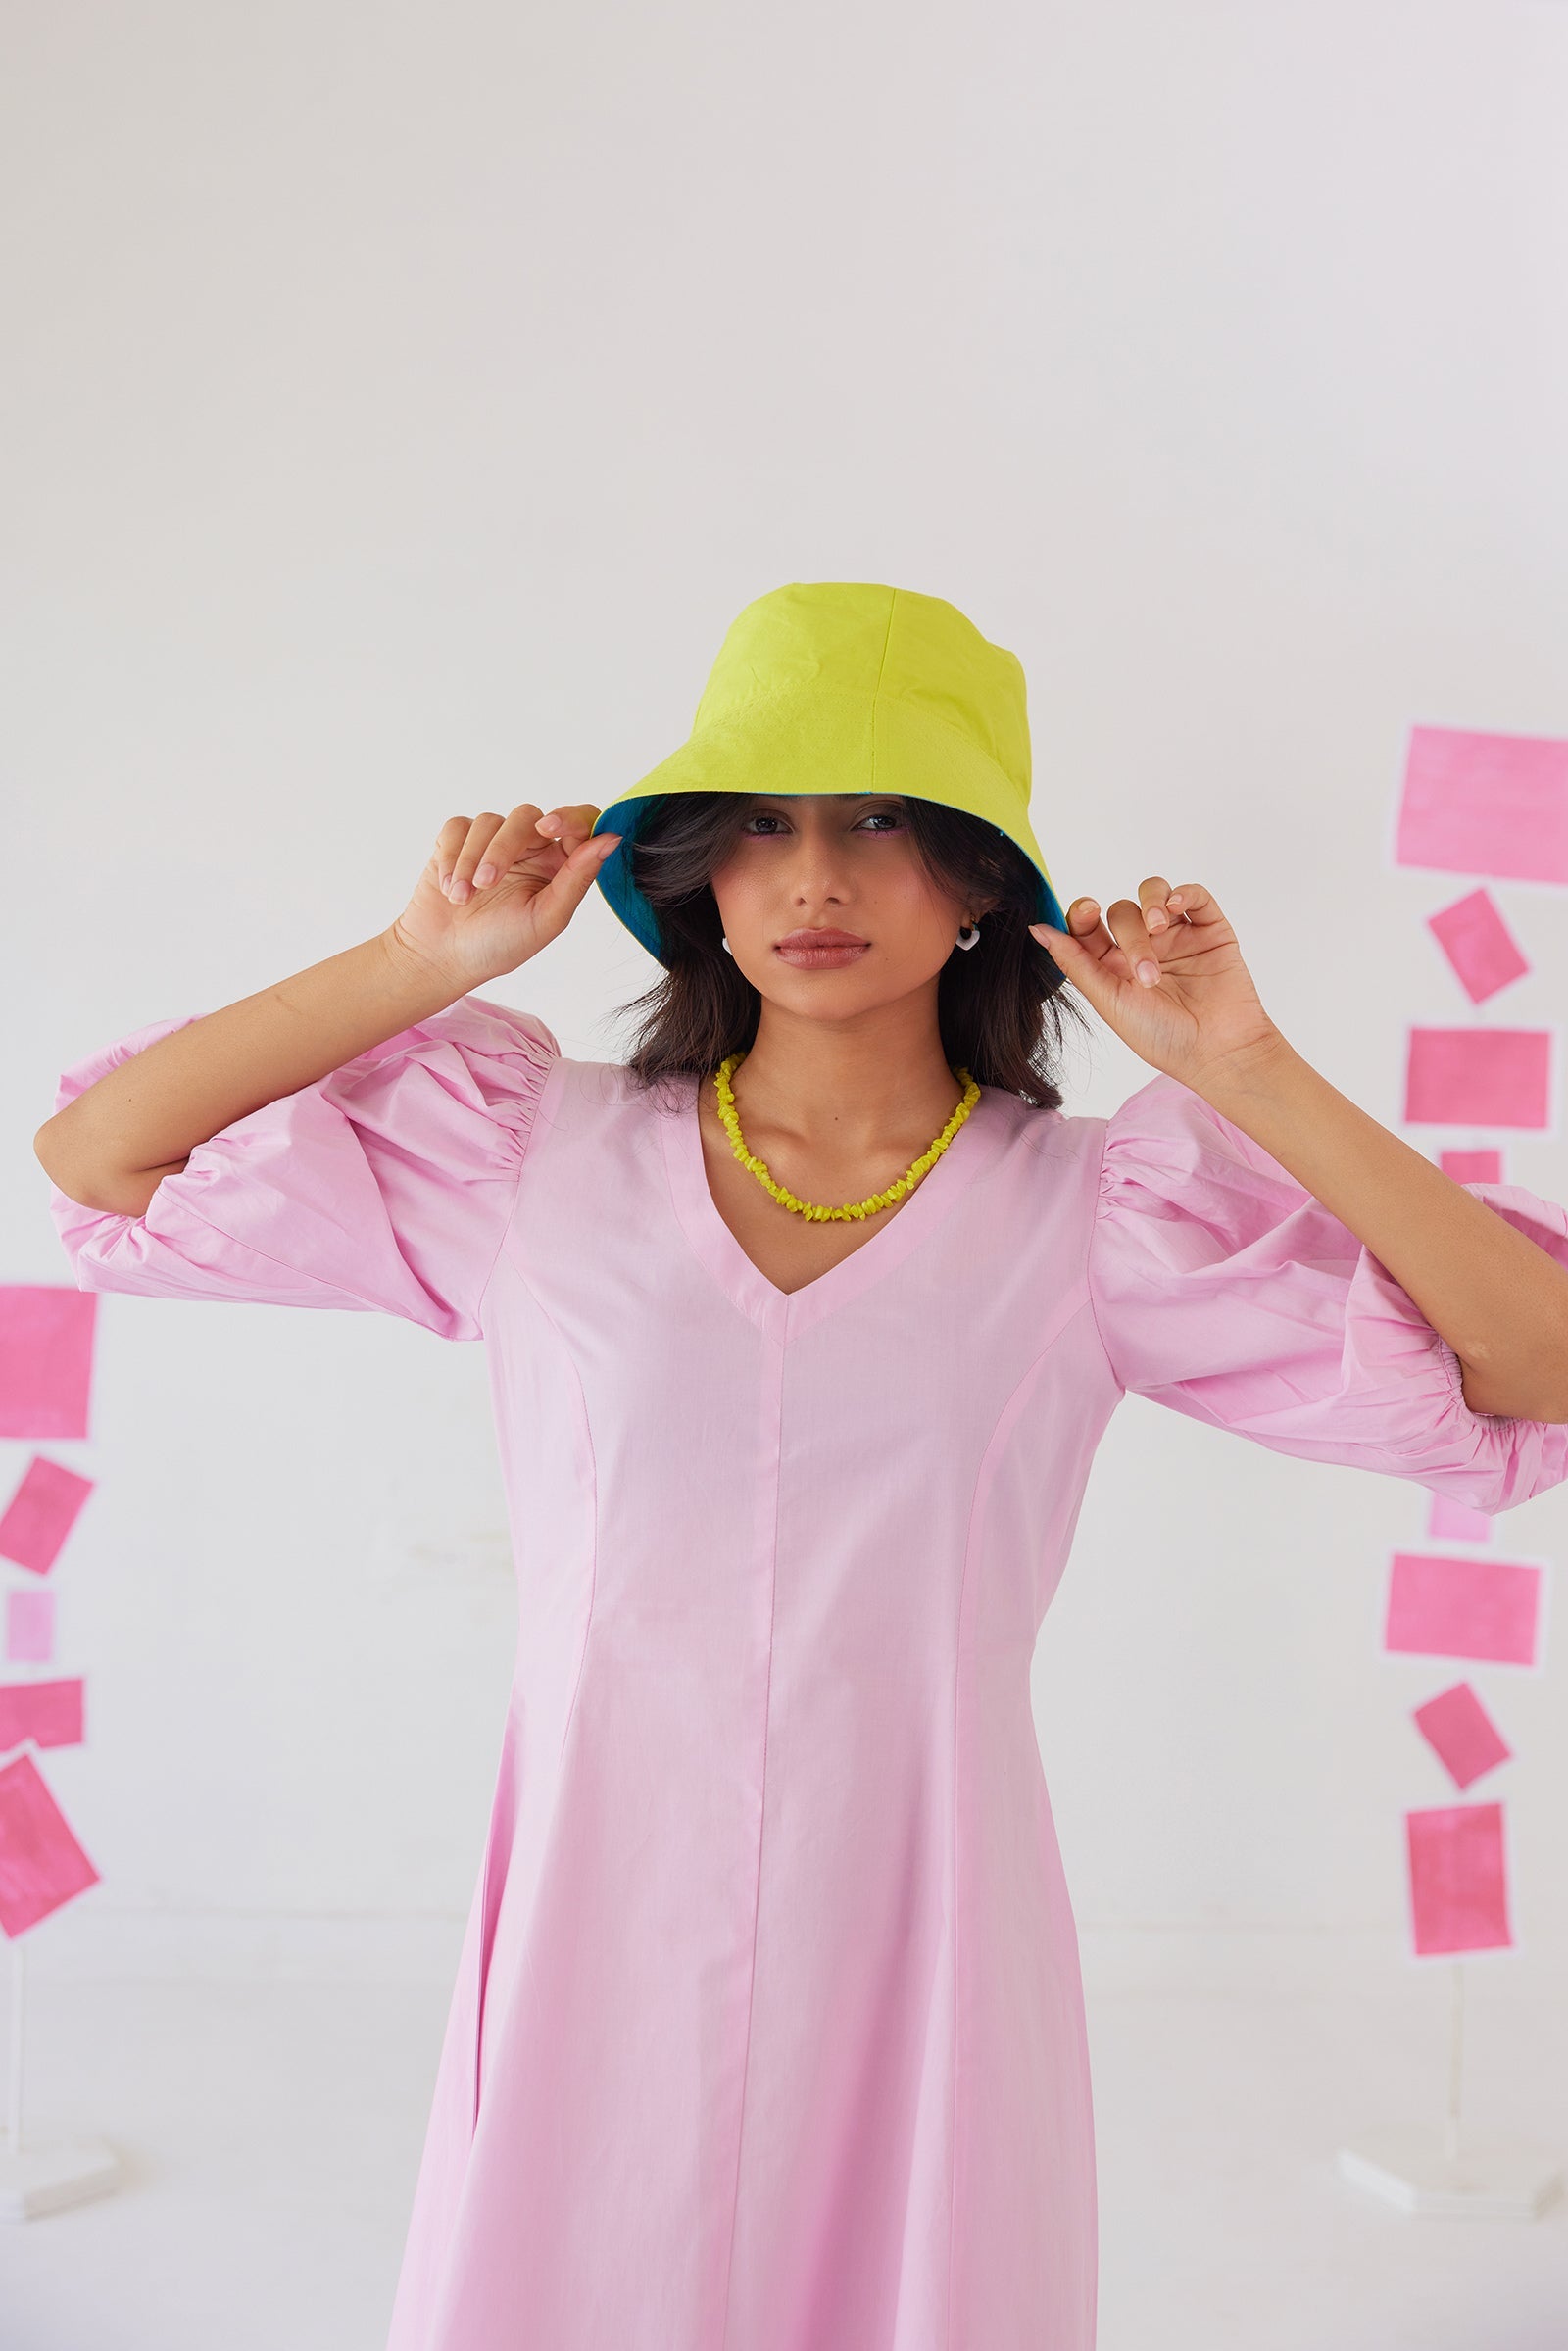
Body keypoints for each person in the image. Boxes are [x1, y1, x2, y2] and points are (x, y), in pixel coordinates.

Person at [34, 582, 1568, 2351]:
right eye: (759, 827)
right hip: (589, 1901)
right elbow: (103, 1157)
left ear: (982, 879)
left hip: (925, 1905)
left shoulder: (1098, 1218)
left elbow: (1528, 1358)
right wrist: (422, 960)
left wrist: (1248, 1069)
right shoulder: (528, 1155)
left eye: (880, 825)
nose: (814, 880)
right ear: (694, 871)